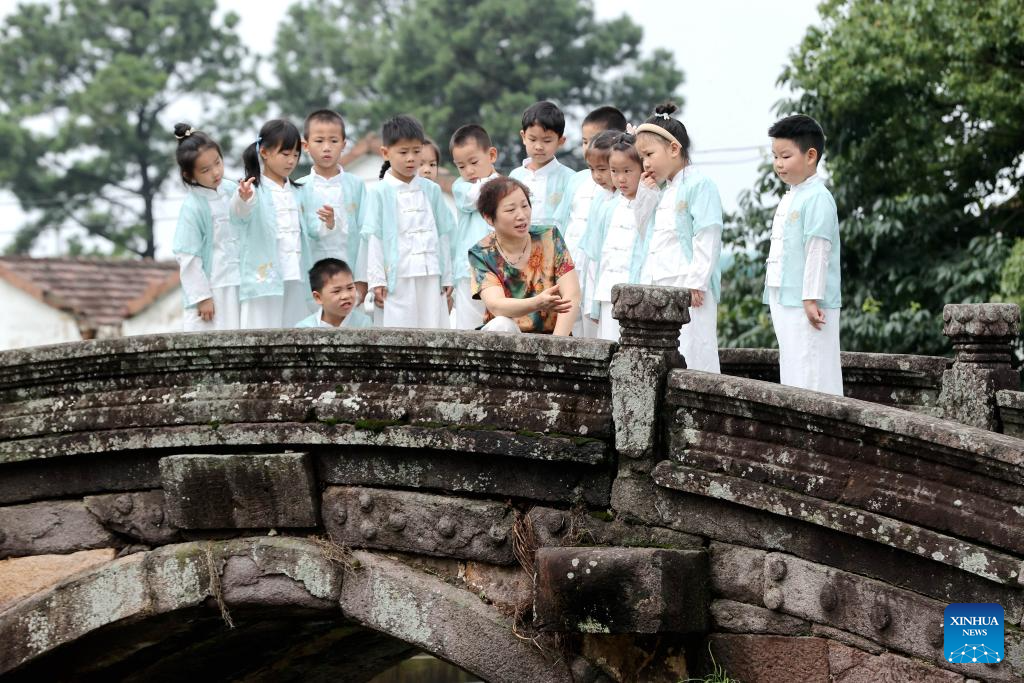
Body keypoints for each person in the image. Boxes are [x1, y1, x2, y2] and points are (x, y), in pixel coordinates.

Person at [635, 103, 724, 372]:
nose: (645, 163)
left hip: (688, 287)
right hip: (659, 284)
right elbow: (642, 231)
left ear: (674, 149)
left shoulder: (700, 184)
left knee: (694, 351)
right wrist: (645, 193)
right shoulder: (662, 190)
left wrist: (696, 283)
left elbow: (707, 234)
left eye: (649, 154)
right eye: (642, 157)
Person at [763, 114, 843, 395]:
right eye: (775, 156)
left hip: (808, 301)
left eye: (785, 155)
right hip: (785, 295)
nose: (779, 164)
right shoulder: (793, 195)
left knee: (813, 368)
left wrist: (811, 297)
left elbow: (818, 250)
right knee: (795, 365)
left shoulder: (818, 197)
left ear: (811, 156)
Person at [232, 119, 334, 329]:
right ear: (265, 152)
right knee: (260, 333)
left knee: (296, 331)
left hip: (296, 275)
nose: (291, 161)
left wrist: (328, 222)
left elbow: (315, 230)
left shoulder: (301, 191)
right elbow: (239, 215)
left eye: (295, 155)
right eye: (285, 154)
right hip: (263, 280)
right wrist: (244, 198)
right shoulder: (252, 190)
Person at [363, 115, 455, 328]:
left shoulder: (432, 190)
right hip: (398, 277)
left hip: (432, 274)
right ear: (386, 153)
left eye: (416, 151)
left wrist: (447, 276)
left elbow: (443, 234)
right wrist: (377, 280)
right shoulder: (379, 192)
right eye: (403, 152)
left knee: (433, 328)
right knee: (399, 329)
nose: (411, 158)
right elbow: (374, 238)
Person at [468, 177, 580, 335]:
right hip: (506, 338)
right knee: (501, 324)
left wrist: (555, 347)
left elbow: (571, 295)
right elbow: (496, 305)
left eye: (525, 206)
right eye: (510, 210)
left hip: (553, 338)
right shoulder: (482, 253)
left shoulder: (550, 237)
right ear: (488, 218)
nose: (521, 215)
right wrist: (538, 302)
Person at [554, 106, 627, 337]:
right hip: (572, 272)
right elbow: (561, 225)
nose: (588, 147)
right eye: (585, 141)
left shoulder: (624, 192)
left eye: (594, 140)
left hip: (604, 278)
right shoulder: (577, 181)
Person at [581, 132, 659, 341]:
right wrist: (592, 304)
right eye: (614, 171)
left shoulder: (653, 201)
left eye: (627, 171)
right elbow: (596, 259)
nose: (621, 178)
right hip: (607, 292)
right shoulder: (609, 205)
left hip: (636, 293)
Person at [171, 123, 240, 331]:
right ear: (189, 175)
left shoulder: (233, 190)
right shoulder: (193, 207)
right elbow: (188, 255)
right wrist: (202, 297)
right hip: (214, 287)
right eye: (205, 170)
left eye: (218, 163)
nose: (216, 172)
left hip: (239, 283)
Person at [296, 109, 369, 304]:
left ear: (344, 145)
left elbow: (365, 234)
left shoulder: (356, 185)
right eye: (319, 141)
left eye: (334, 141)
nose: (326, 147)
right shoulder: (299, 188)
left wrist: (362, 280)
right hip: (312, 279)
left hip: (349, 274)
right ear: (306, 145)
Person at [449, 124, 500, 330]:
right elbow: (479, 196)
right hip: (468, 269)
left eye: (474, 162)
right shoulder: (461, 187)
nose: (468, 171)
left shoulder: (507, 185)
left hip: (499, 268)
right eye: (461, 166)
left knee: (498, 324)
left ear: (492, 155)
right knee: (468, 327)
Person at [509, 101, 576, 228]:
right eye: (532, 139)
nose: (539, 146)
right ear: (523, 137)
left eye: (547, 140)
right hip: (520, 245)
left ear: (561, 141)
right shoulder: (515, 176)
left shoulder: (570, 178)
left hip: (556, 245)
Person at [295, 258, 372, 328]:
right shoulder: (305, 328)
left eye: (350, 288)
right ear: (318, 297)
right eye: (336, 291)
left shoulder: (364, 324)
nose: (346, 296)